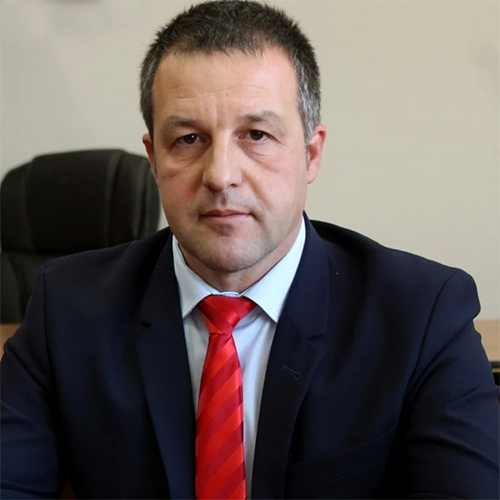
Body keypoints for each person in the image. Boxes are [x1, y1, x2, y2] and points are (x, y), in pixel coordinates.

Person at [1, 0, 499, 498]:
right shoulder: (64, 308)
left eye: (256, 135)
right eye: (189, 139)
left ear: (310, 154)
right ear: (153, 158)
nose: (221, 175)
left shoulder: (423, 315)